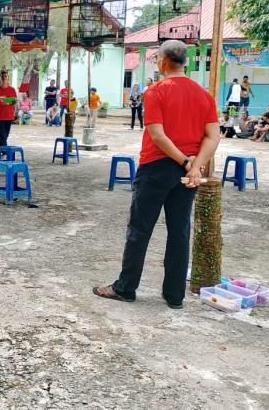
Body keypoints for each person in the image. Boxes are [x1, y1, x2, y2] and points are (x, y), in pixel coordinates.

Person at [93, 40, 219, 309]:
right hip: (188, 172)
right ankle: (174, 296)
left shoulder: (155, 92)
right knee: (179, 231)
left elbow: (158, 136)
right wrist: (196, 165)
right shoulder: (203, 95)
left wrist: (186, 161)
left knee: (140, 229)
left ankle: (126, 288)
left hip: (157, 168)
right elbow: (213, 135)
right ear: (184, 61)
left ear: (162, 61)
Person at [0, 71, 17, 151]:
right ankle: (5, 152)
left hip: (9, 116)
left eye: (5, 76)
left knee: (5, 136)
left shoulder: (12, 90)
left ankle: (0, 150)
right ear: (0, 79)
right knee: (2, 136)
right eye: (2, 76)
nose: (4, 77)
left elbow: (14, 102)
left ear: (8, 78)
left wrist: (10, 103)